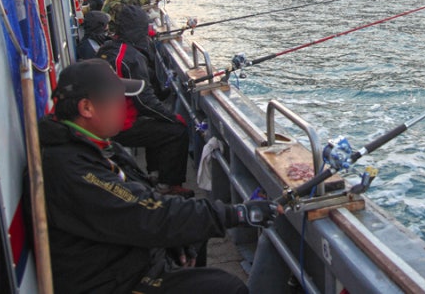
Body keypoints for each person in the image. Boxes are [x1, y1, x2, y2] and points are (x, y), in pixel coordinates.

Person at [41, 59, 279, 293]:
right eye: (117, 99)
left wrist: (167, 242)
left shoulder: (93, 146)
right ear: (86, 108)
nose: (124, 105)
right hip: (111, 279)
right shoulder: (72, 168)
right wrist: (238, 213)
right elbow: (143, 212)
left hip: (122, 255)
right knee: (227, 288)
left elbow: (141, 202)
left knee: (193, 236)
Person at [99, 5, 191, 196]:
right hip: (121, 125)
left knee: (154, 124)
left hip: (103, 121)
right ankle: (168, 185)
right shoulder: (131, 57)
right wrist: (172, 117)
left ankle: (154, 174)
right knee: (176, 130)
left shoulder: (107, 48)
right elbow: (144, 102)